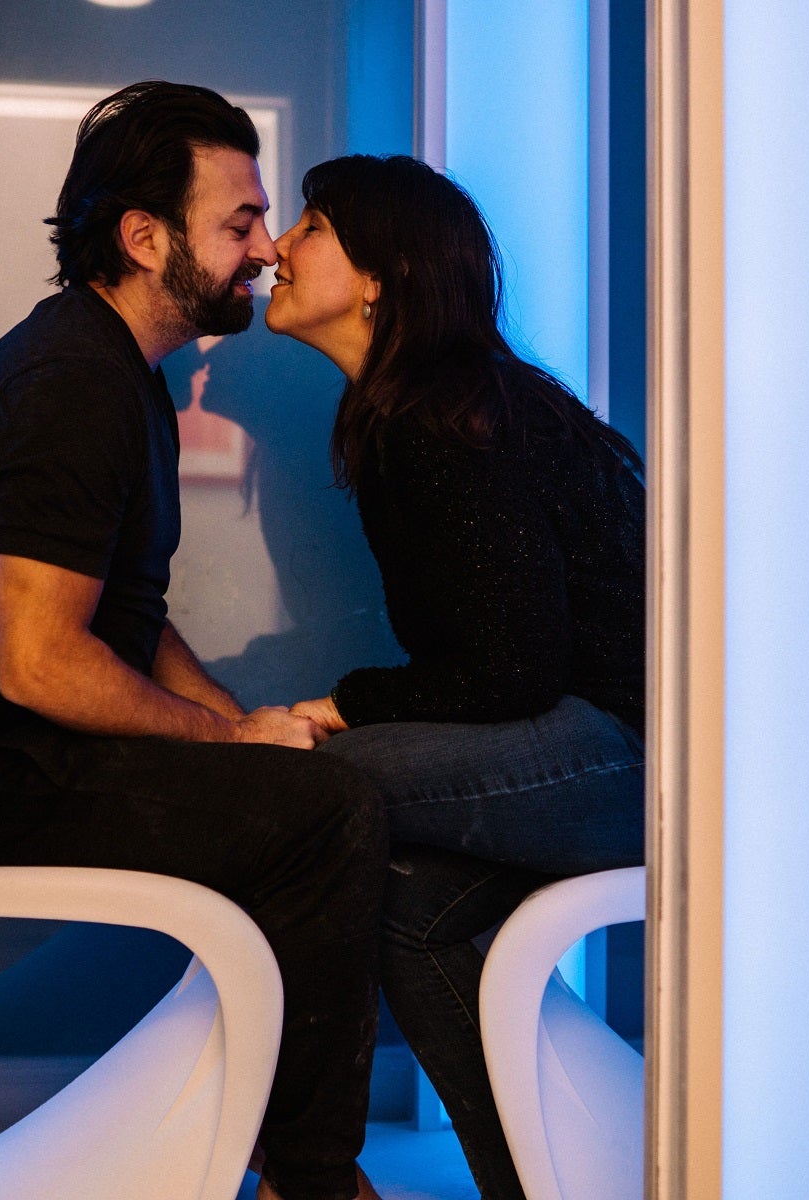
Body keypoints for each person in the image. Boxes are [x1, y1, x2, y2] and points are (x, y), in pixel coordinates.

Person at [0, 82, 387, 1200]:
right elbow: (41, 662)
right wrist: (219, 739)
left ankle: (241, 1136)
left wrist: (230, 727)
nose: (264, 251)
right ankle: (310, 1178)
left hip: (7, 759)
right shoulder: (73, 386)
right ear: (146, 238)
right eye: (239, 223)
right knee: (331, 809)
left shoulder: (114, 372)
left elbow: (128, 621)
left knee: (289, 766)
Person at [264, 154, 647, 1200]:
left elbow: (509, 669)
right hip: (606, 746)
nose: (277, 247)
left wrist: (342, 706)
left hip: (634, 758)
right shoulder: (429, 411)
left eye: (312, 227)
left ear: (382, 274)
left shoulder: (442, 422)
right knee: (403, 906)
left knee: (286, 792)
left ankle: (304, 1171)